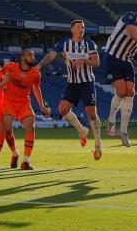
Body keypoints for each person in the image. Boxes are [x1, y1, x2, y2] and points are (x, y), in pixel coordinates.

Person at [39, 20, 103, 160]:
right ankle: (82, 130)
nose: (81, 30)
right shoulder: (64, 43)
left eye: (83, 28)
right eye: (79, 27)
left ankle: (98, 146)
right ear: (72, 29)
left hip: (87, 82)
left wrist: (84, 61)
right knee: (62, 110)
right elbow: (51, 55)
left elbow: (97, 62)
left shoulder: (89, 43)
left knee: (92, 115)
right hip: (72, 83)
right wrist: (40, 65)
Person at [103, 2, 137, 146]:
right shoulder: (131, 17)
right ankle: (110, 121)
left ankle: (123, 132)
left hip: (127, 60)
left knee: (131, 92)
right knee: (121, 91)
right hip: (112, 57)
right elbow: (133, 34)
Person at [3, 48, 51, 170]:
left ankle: (25, 161)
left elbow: (36, 89)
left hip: (24, 103)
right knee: (7, 129)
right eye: (30, 55)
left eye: (34, 55)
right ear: (23, 57)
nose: (33, 58)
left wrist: (42, 106)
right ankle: (15, 153)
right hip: (9, 102)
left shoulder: (35, 73)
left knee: (30, 125)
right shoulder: (10, 67)